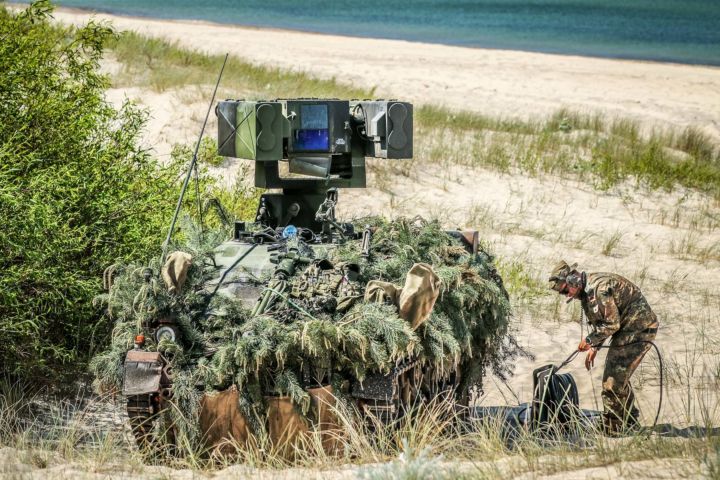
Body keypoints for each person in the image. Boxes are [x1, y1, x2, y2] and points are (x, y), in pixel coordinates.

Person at [548, 260, 659, 435]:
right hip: (628, 330)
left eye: (564, 290)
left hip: (637, 330)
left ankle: (613, 427)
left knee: (612, 381)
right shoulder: (587, 291)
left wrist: (590, 340)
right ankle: (628, 421)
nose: (566, 295)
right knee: (618, 378)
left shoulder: (598, 290)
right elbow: (603, 322)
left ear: (572, 280)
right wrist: (595, 347)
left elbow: (611, 324)